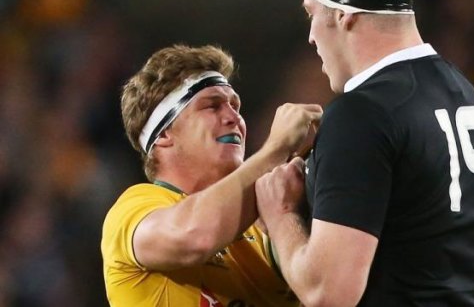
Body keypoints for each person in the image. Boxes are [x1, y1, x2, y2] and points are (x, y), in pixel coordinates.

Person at [254, 0, 474, 306]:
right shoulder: (462, 91)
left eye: (311, 14)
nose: (310, 37)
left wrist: (281, 216)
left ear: (342, 14)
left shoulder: (363, 113)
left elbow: (329, 293)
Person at [101, 44, 322, 307]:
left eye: (235, 106)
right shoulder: (135, 209)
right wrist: (276, 148)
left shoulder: (264, 221)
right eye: (212, 106)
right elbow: (195, 235)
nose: (234, 118)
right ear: (163, 134)